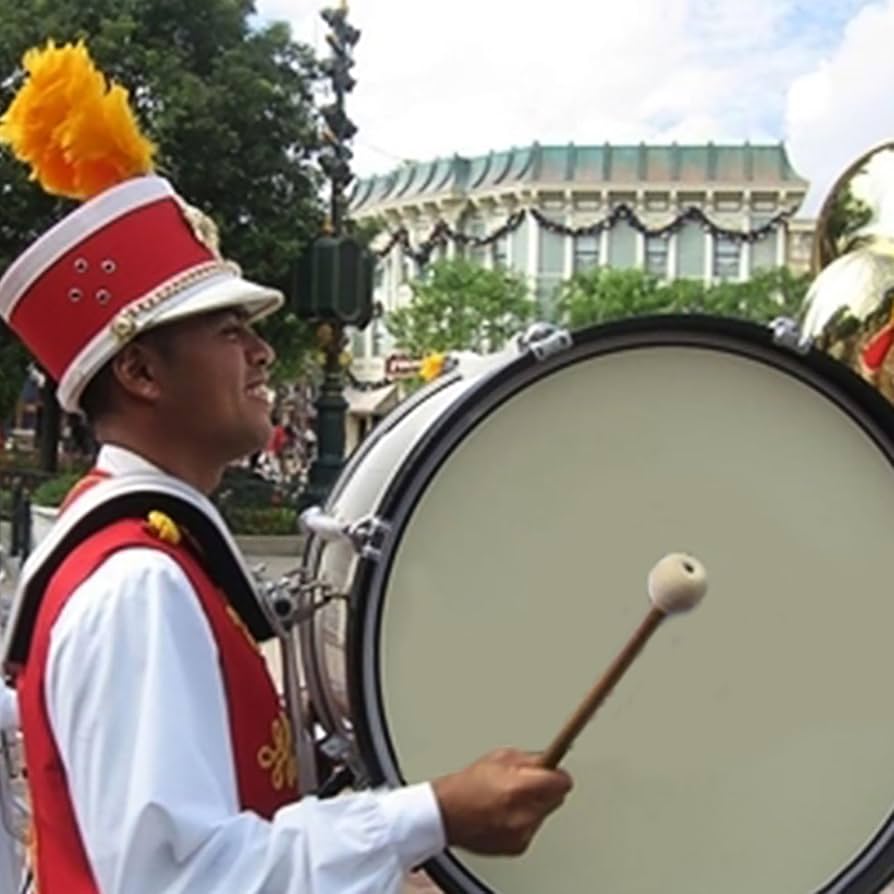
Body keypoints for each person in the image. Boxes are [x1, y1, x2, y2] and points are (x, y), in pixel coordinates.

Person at [0, 40, 572, 894]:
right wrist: (435, 813)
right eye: (230, 332)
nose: (264, 352)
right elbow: (179, 881)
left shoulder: (144, 551)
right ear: (142, 374)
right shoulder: (136, 583)